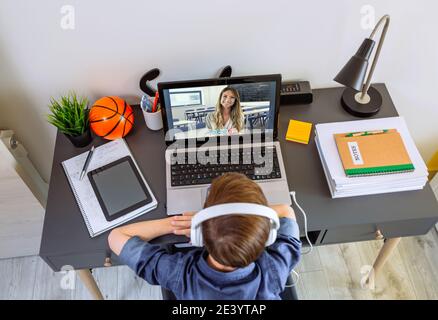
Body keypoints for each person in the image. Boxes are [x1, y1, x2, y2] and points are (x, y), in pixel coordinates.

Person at [108, 173, 301, 300]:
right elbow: (286, 211)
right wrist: (252, 216)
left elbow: (116, 236)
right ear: (267, 236)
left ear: (199, 235)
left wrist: (175, 223)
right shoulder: (275, 269)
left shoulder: (179, 274)